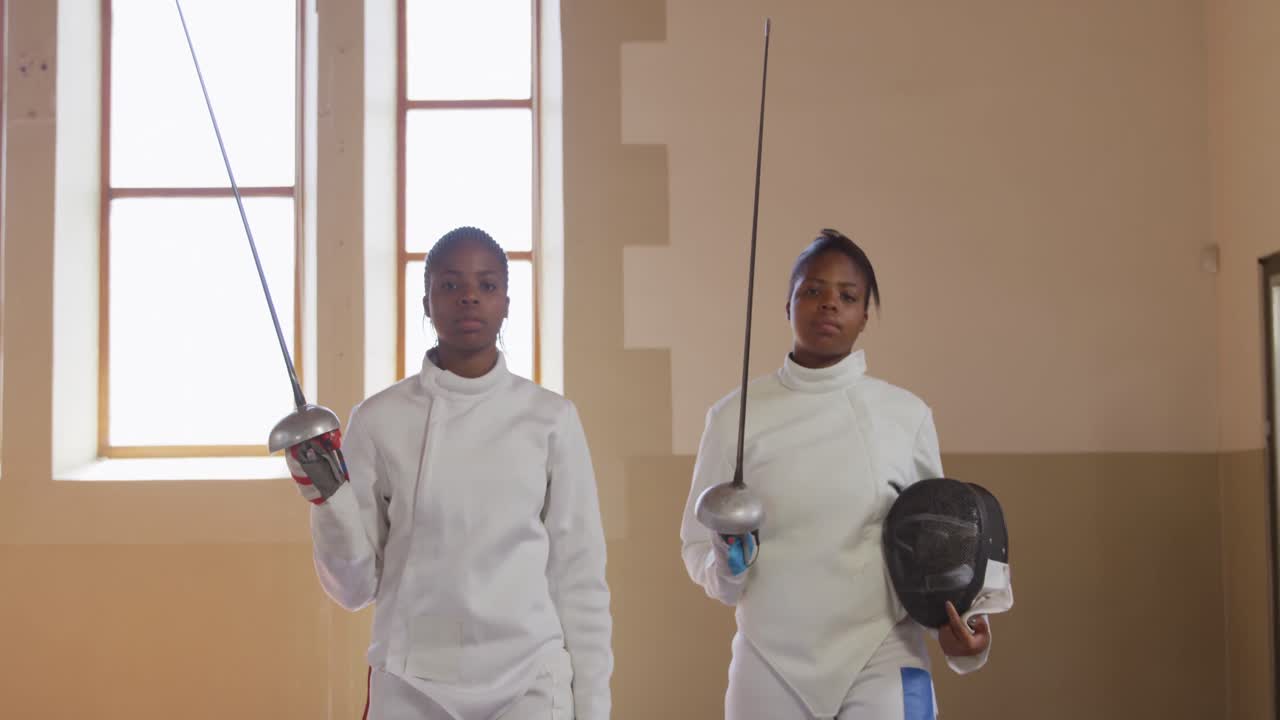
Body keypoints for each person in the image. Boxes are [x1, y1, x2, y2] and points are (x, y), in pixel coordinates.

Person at [292, 226, 613, 720]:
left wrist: (593, 709)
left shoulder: (550, 419)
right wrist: (328, 498)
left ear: (506, 302)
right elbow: (354, 588)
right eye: (450, 285)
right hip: (410, 681)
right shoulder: (378, 419)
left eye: (486, 286)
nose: (469, 297)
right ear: (426, 302)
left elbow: (580, 576)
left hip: (530, 680)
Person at [679, 228, 993, 719]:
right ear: (787, 305)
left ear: (864, 316)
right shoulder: (735, 416)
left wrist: (959, 637)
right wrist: (726, 565)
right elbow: (699, 548)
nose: (829, 304)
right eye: (812, 290)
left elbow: (939, 549)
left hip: (882, 650)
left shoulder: (905, 416)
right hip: (769, 658)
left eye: (847, 296)